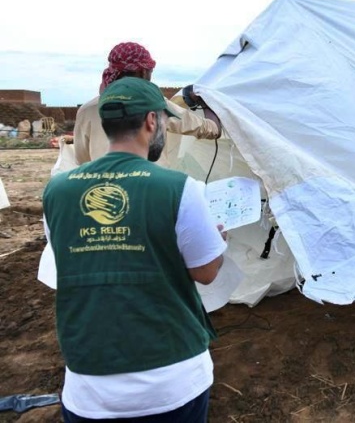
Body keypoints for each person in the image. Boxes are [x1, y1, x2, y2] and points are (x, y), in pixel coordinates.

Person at [42, 77, 227, 421]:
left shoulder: (57, 191)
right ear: (152, 121)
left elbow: (69, 256)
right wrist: (218, 243)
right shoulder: (179, 188)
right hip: (170, 380)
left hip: (89, 385)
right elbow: (206, 272)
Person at [74, 42, 222, 167]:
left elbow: (82, 160)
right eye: (150, 71)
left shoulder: (87, 110)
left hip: (107, 191)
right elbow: (210, 129)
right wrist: (209, 103)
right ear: (143, 72)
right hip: (154, 191)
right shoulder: (157, 104)